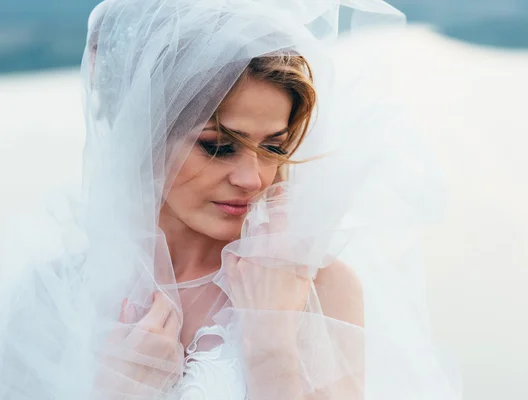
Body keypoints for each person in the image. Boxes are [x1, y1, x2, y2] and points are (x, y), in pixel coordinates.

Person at [0, 0, 459, 399]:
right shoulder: (53, 294)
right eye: (218, 146)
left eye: (274, 148)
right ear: (144, 133)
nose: (253, 178)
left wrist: (271, 346)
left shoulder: (317, 288)